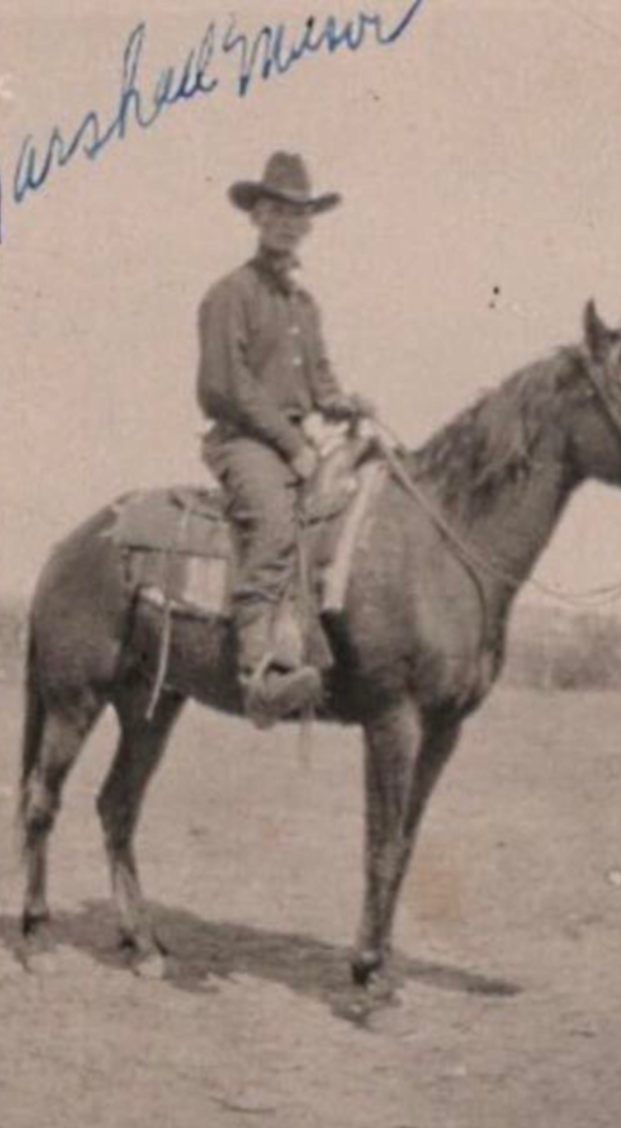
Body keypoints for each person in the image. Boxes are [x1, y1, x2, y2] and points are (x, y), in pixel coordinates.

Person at [197, 152, 375, 725]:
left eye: (299, 215)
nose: (289, 224)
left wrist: (344, 404)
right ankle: (257, 671)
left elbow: (319, 380)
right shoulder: (231, 294)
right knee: (275, 521)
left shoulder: (304, 305)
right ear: (257, 217)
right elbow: (226, 385)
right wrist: (291, 445)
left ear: (308, 225)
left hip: (294, 442)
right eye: (277, 211)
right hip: (244, 441)